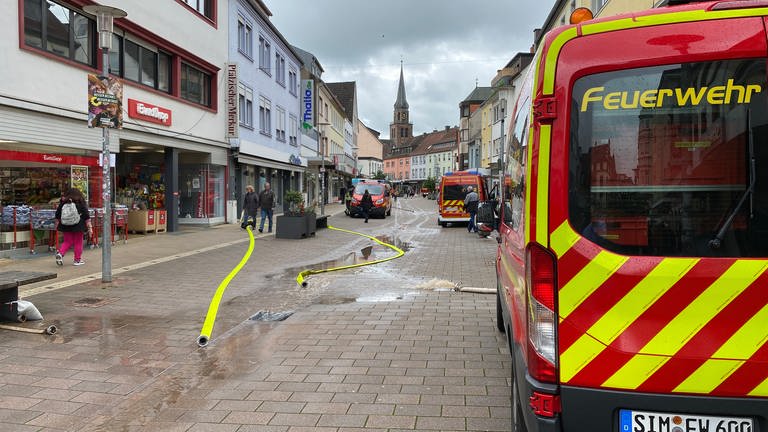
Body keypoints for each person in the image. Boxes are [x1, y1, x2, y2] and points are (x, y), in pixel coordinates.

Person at [55, 188, 92, 266]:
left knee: (67, 241)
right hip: (79, 225)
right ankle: (77, 260)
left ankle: (61, 253)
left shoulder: (63, 203)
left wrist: (58, 223)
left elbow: (57, 214)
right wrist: (89, 226)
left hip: (65, 224)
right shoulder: (80, 202)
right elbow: (86, 215)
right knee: (78, 242)